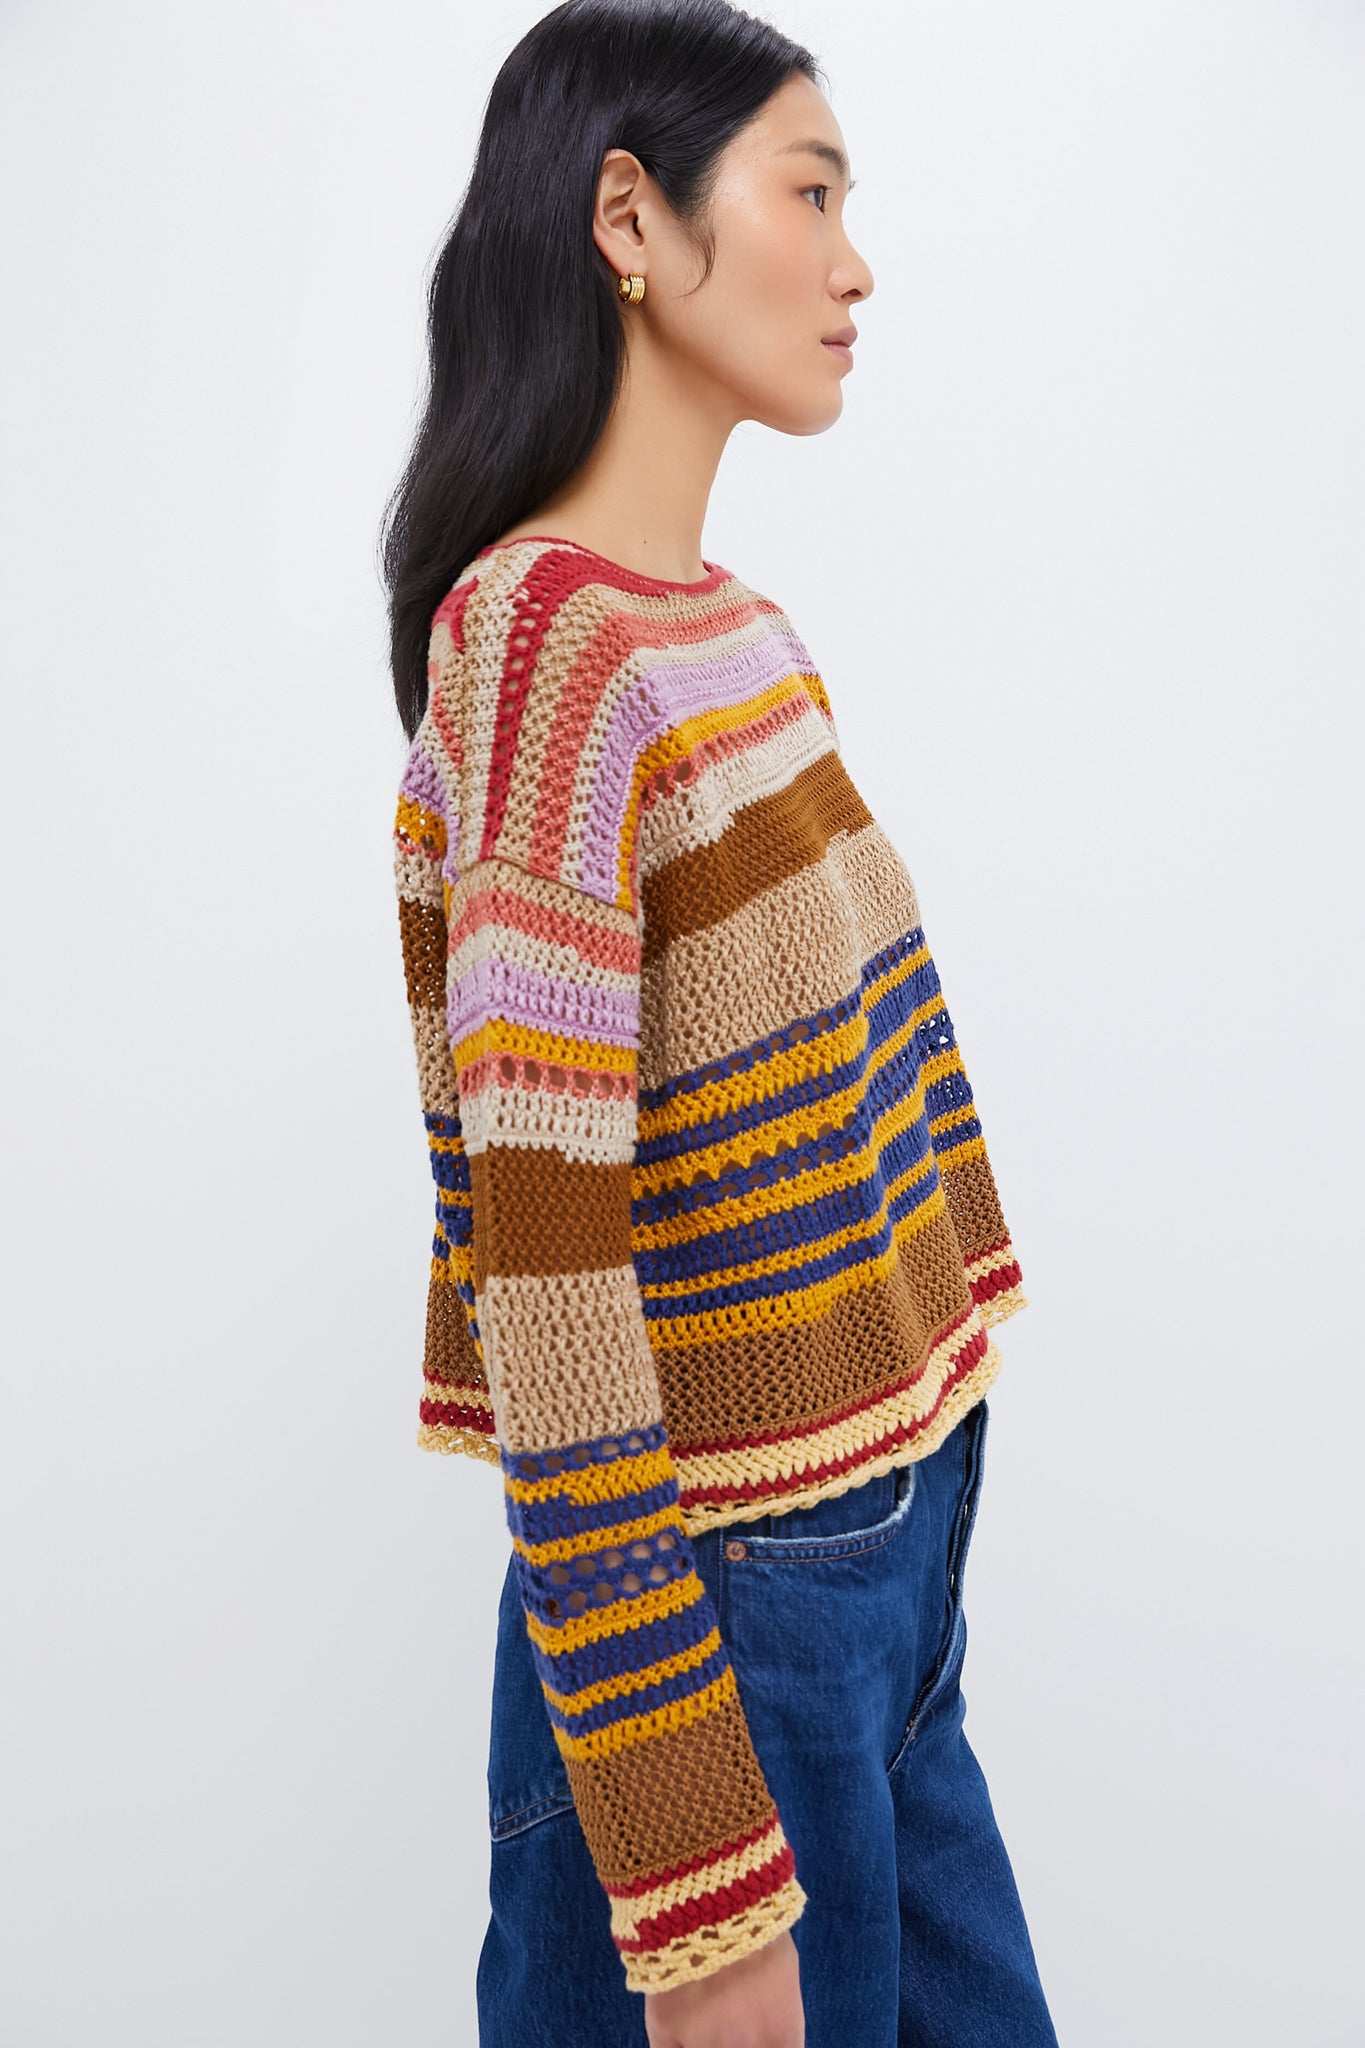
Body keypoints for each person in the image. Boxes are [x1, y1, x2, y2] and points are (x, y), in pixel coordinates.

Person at [381, 3, 1060, 2043]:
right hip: (731, 1637)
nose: (854, 265)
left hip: (883, 1586)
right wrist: (693, 1879)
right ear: (628, 221)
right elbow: (554, 1297)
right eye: (809, 192)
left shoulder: (734, 633)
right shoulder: (541, 645)